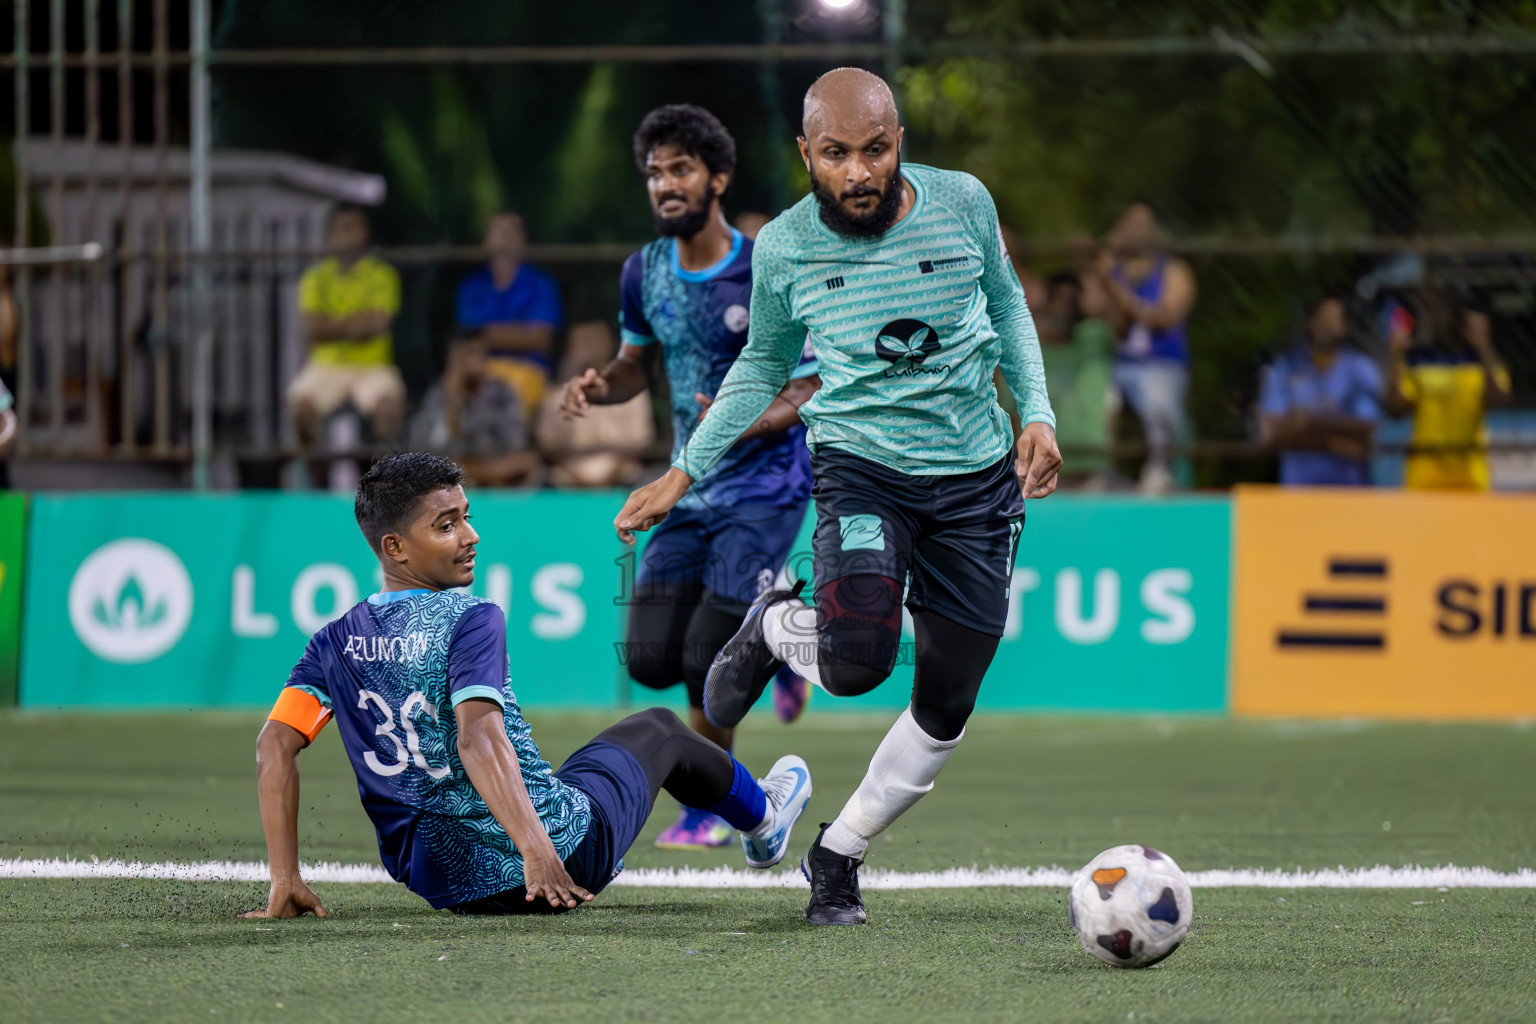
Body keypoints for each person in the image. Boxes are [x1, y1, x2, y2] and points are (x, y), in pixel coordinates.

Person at [611, 69, 1060, 926]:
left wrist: (1034, 410)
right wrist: (683, 470)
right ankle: (780, 624)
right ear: (806, 154)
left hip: (976, 482)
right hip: (861, 466)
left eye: (876, 150)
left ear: (900, 141)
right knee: (854, 665)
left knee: (945, 706)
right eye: (836, 154)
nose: (859, 172)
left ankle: (836, 852)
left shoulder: (964, 202)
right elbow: (763, 368)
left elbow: (1008, 306)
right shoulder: (782, 247)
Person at [242, 452, 812, 919]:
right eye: (446, 526)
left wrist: (286, 877)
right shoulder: (472, 616)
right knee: (660, 728)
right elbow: (478, 739)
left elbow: (274, 744)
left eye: (465, 515)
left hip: (438, 882)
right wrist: (538, 853)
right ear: (394, 548)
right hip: (552, 864)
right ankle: (764, 818)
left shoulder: (333, 640)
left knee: (566, 772)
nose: (471, 535)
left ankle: (748, 814)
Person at [559, 104, 821, 850]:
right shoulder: (644, 271)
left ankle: (714, 802)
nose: (665, 184)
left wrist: (753, 418)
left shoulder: (764, 267)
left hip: (765, 490)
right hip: (690, 488)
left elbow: (807, 388)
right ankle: (772, 640)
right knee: (649, 660)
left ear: (718, 178)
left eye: (681, 169)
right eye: (654, 172)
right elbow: (632, 367)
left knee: (707, 661)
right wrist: (597, 388)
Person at [287, 204, 406, 464]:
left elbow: (377, 325)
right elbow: (313, 327)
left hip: (373, 366)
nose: (346, 235)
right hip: (326, 366)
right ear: (330, 236)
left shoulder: (383, 274)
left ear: (366, 233)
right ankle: (316, 477)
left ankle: (384, 482)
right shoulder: (315, 277)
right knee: (301, 409)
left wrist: (333, 326)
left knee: (388, 408)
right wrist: (356, 323)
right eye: (341, 228)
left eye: (352, 227)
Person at [1094, 203, 1197, 494]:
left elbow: (1164, 317)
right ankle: (1096, 468)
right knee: (1097, 395)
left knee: (1157, 402)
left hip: (1161, 362)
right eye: (1128, 225)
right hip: (1119, 361)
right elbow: (1107, 319)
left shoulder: (1174, 270)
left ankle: (1163, 471)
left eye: (1142, 225)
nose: (1134, 233)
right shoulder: (1113, 273)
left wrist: (1120, 295)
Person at [1386, 292, 1511, 490]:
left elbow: (1498, 399)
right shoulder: (1418, 359)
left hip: (1470, 479)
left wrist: (1484, 347)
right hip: (1424, 479)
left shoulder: (1480, 362)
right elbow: (1396, 407)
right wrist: (1395, 355)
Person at [1258, 294, 1384, 486]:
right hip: (1299, 493)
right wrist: (1335, 442)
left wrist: (1306, 423)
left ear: (1345, 325)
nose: (1329, 325)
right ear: (1310, 322)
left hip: (1351, 493)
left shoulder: (1360, 368)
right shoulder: (1285, 367)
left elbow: (1367, 428)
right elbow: (1269, 433)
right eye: (1323, 317)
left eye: (1336, 318)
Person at [455, 211, 564, 419]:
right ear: (485, 241)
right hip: (478, 369)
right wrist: (517, 333)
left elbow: (541, 339)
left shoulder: (541, 284)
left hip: (526, 371)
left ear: (524, 240)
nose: (505, 237)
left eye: (512, 231)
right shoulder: (471, 286)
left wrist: (486, 335)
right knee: (454, 384)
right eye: (498, 231)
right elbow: (468, 339)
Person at [536, 321, 655, 489]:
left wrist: (614, 469)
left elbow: (641, 439)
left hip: (623, 472)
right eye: (583, 341)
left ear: (611, 344)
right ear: (570, 346)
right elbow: (547, 443)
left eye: (596, 340)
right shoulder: (554, 395)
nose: (590, 347)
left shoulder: (633, 392)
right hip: (566, 475)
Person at [409, 342, 541, 487]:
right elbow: (434, 450)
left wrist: (492, 468)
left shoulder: (502, 392)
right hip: (458, 466)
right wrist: (452, 401)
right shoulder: (439, 394)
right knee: (438, 469)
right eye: (462, 358)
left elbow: (515, 443)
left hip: (497, 464)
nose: (470, 361)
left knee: (528, 464)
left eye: (474, 353)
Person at [1037, 270, 1115, 487]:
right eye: (1058, 299)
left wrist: (1092, 268)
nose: (1065, 308)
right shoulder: (1031, 355)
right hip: (1045, 472)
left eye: (1072, 300)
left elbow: (1118, 319)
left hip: (1093, 468)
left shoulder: (1094, 340)